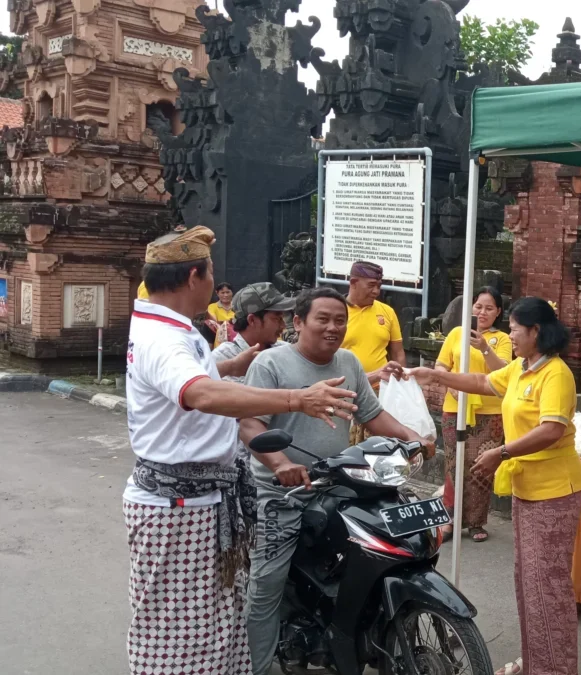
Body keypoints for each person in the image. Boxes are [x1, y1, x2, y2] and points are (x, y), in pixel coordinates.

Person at [123, 226, 359, 675]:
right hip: (180, 506)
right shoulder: (165, 339)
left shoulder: (167, 327)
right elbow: (202, 394)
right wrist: (297, 399)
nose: (215, 281)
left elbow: (201, 376)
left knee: (213, 622)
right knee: (182, 632)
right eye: (211, 272)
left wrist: (233, 365)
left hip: (201, 499)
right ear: (194, 276)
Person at [239, 286, 433, 675]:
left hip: (340, 484)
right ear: (298, 322)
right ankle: (253, 668)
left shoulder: (348, 361)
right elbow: (249, 424)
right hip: (283, 492)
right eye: (322, 319)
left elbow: (373, 416)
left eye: (339, 320)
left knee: (380, 547)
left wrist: (413, 439)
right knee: (266, 584)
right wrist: (279, 465)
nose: (333, 328)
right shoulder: (271, 364)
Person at [406, 298, 581, 675]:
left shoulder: (556, 374)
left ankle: (556, 668)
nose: (511, 336)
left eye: (516, 329)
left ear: (536, 332)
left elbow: (551, 430)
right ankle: (536, 661)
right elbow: (483, 381)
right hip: (528, 490)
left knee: (547, 587)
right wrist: (436, 376)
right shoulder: (522, 368)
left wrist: (501, 451)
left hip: (555, 493)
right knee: (528, 584)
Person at [436, 287, 512, 543]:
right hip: (454, 408)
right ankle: (449, 519)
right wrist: (451, 387)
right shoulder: (456, 334)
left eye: (489, 308)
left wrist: (484, 348)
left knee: (480, 469)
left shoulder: (502, 339)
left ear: (498, 312)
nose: (482, 312)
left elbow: (503, 371)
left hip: (489, 413)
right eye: (478, 306)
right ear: (471, 307)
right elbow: (440, 366)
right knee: (453, 465)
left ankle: (476, 521)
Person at [213, 282, 294, 384]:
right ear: (252, 320)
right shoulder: (222, 358)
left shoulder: (286, 351)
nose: (283, 326)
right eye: (277, 319)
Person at [342, 260, 405, 385]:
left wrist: (401, 382)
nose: (376, 291)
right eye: (371, 285)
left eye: (379, 286)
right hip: (345, 388)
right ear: (354, 283)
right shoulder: (336, 311)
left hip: (381, 389)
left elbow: (398, 353)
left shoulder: (387, 312)